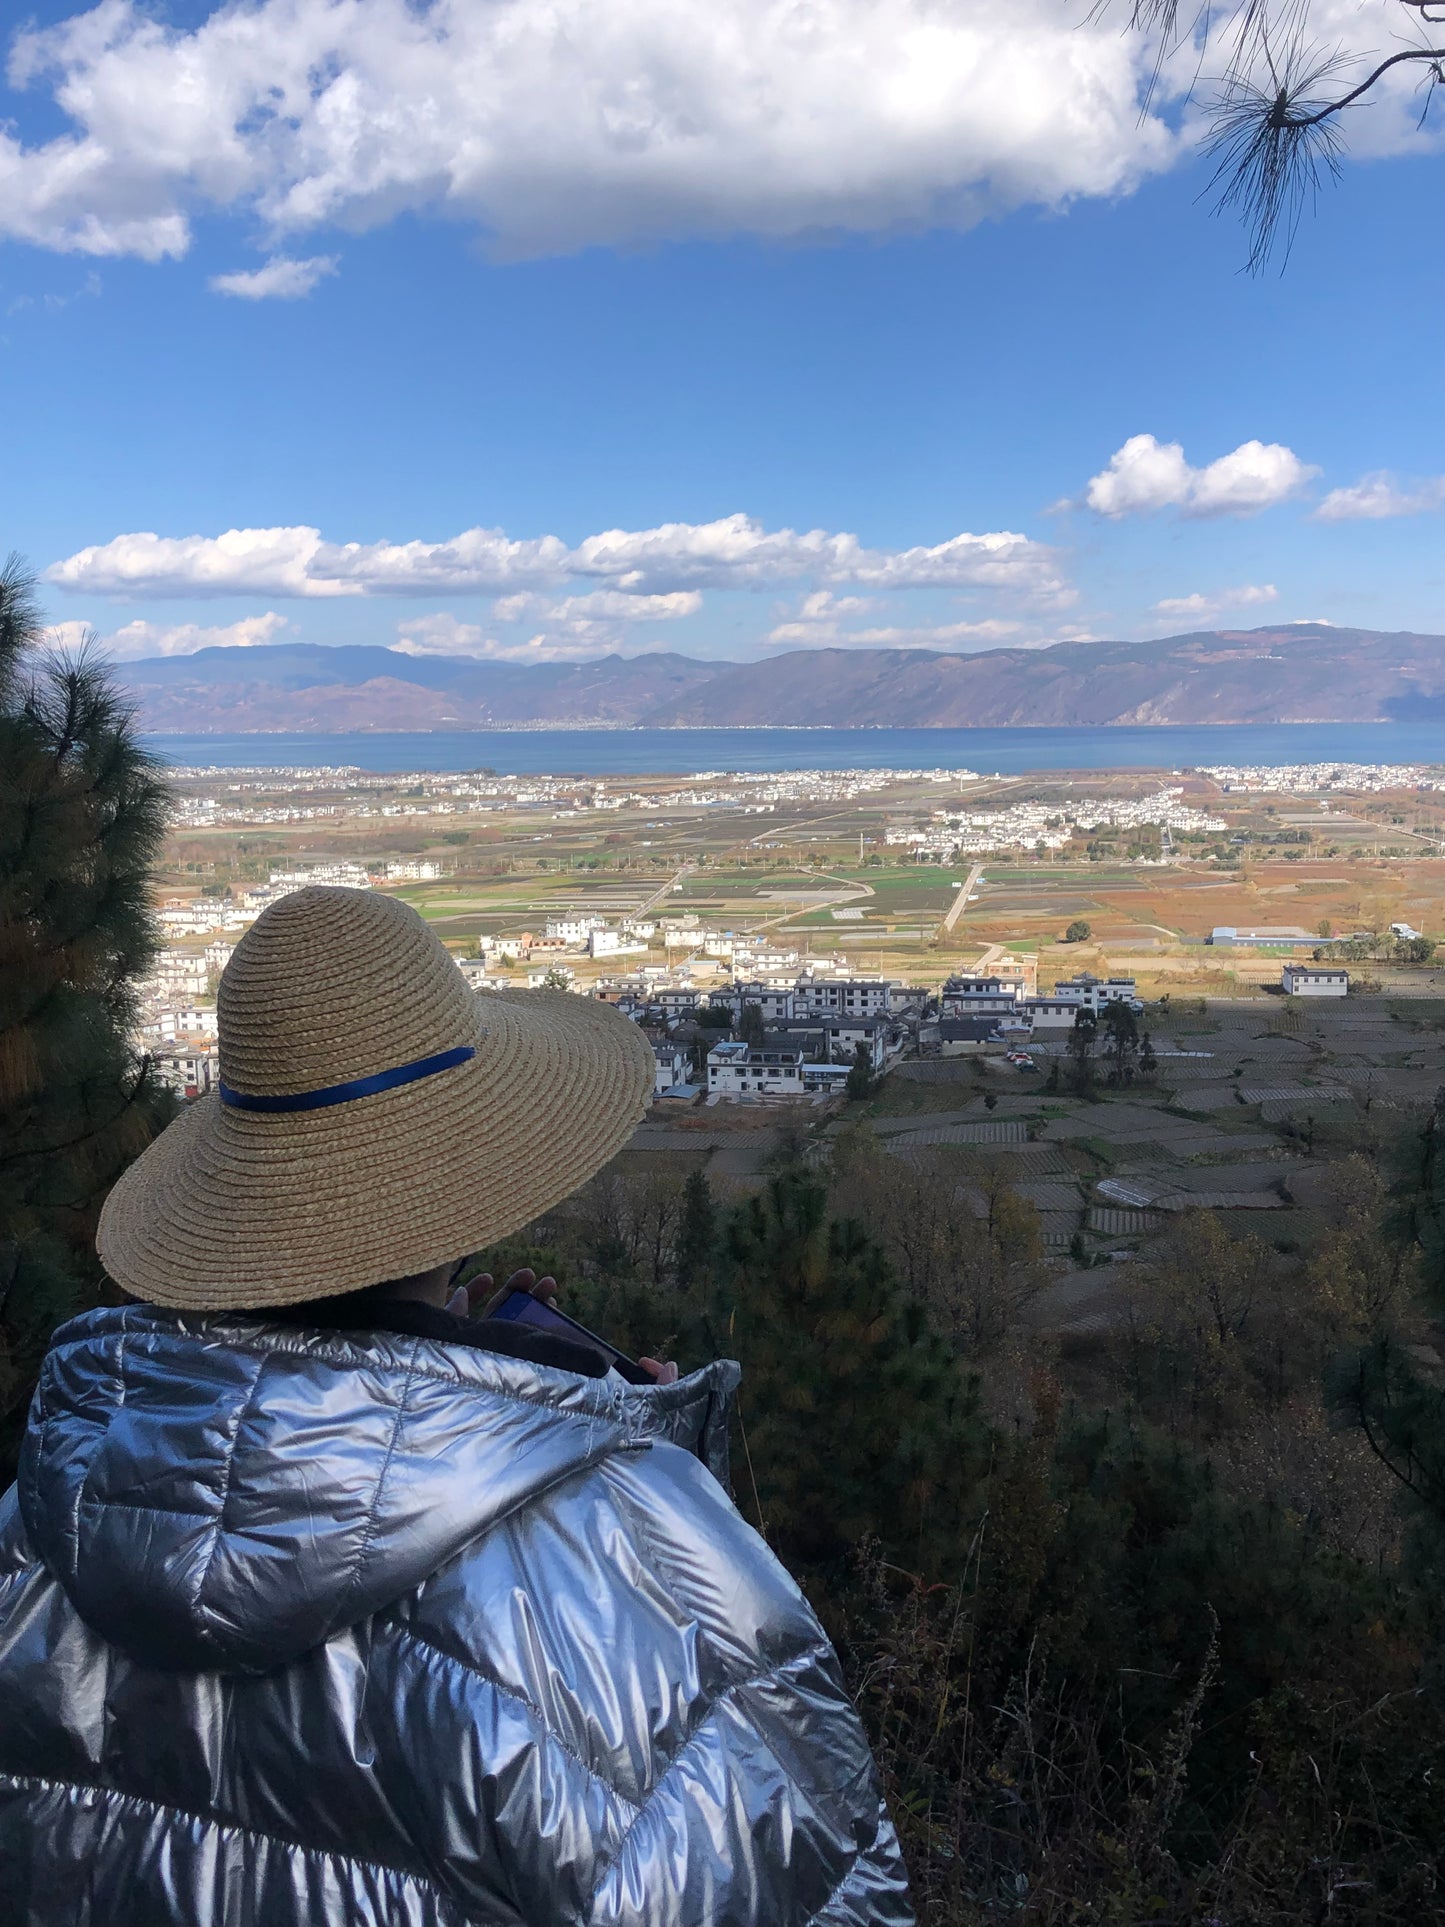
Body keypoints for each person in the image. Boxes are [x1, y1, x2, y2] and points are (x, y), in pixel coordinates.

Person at [0, 886, 911, 1926]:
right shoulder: (633, 1564)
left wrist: (437, 1393)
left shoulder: (37, 1523)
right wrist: (645, 1466)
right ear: (458, 1191)